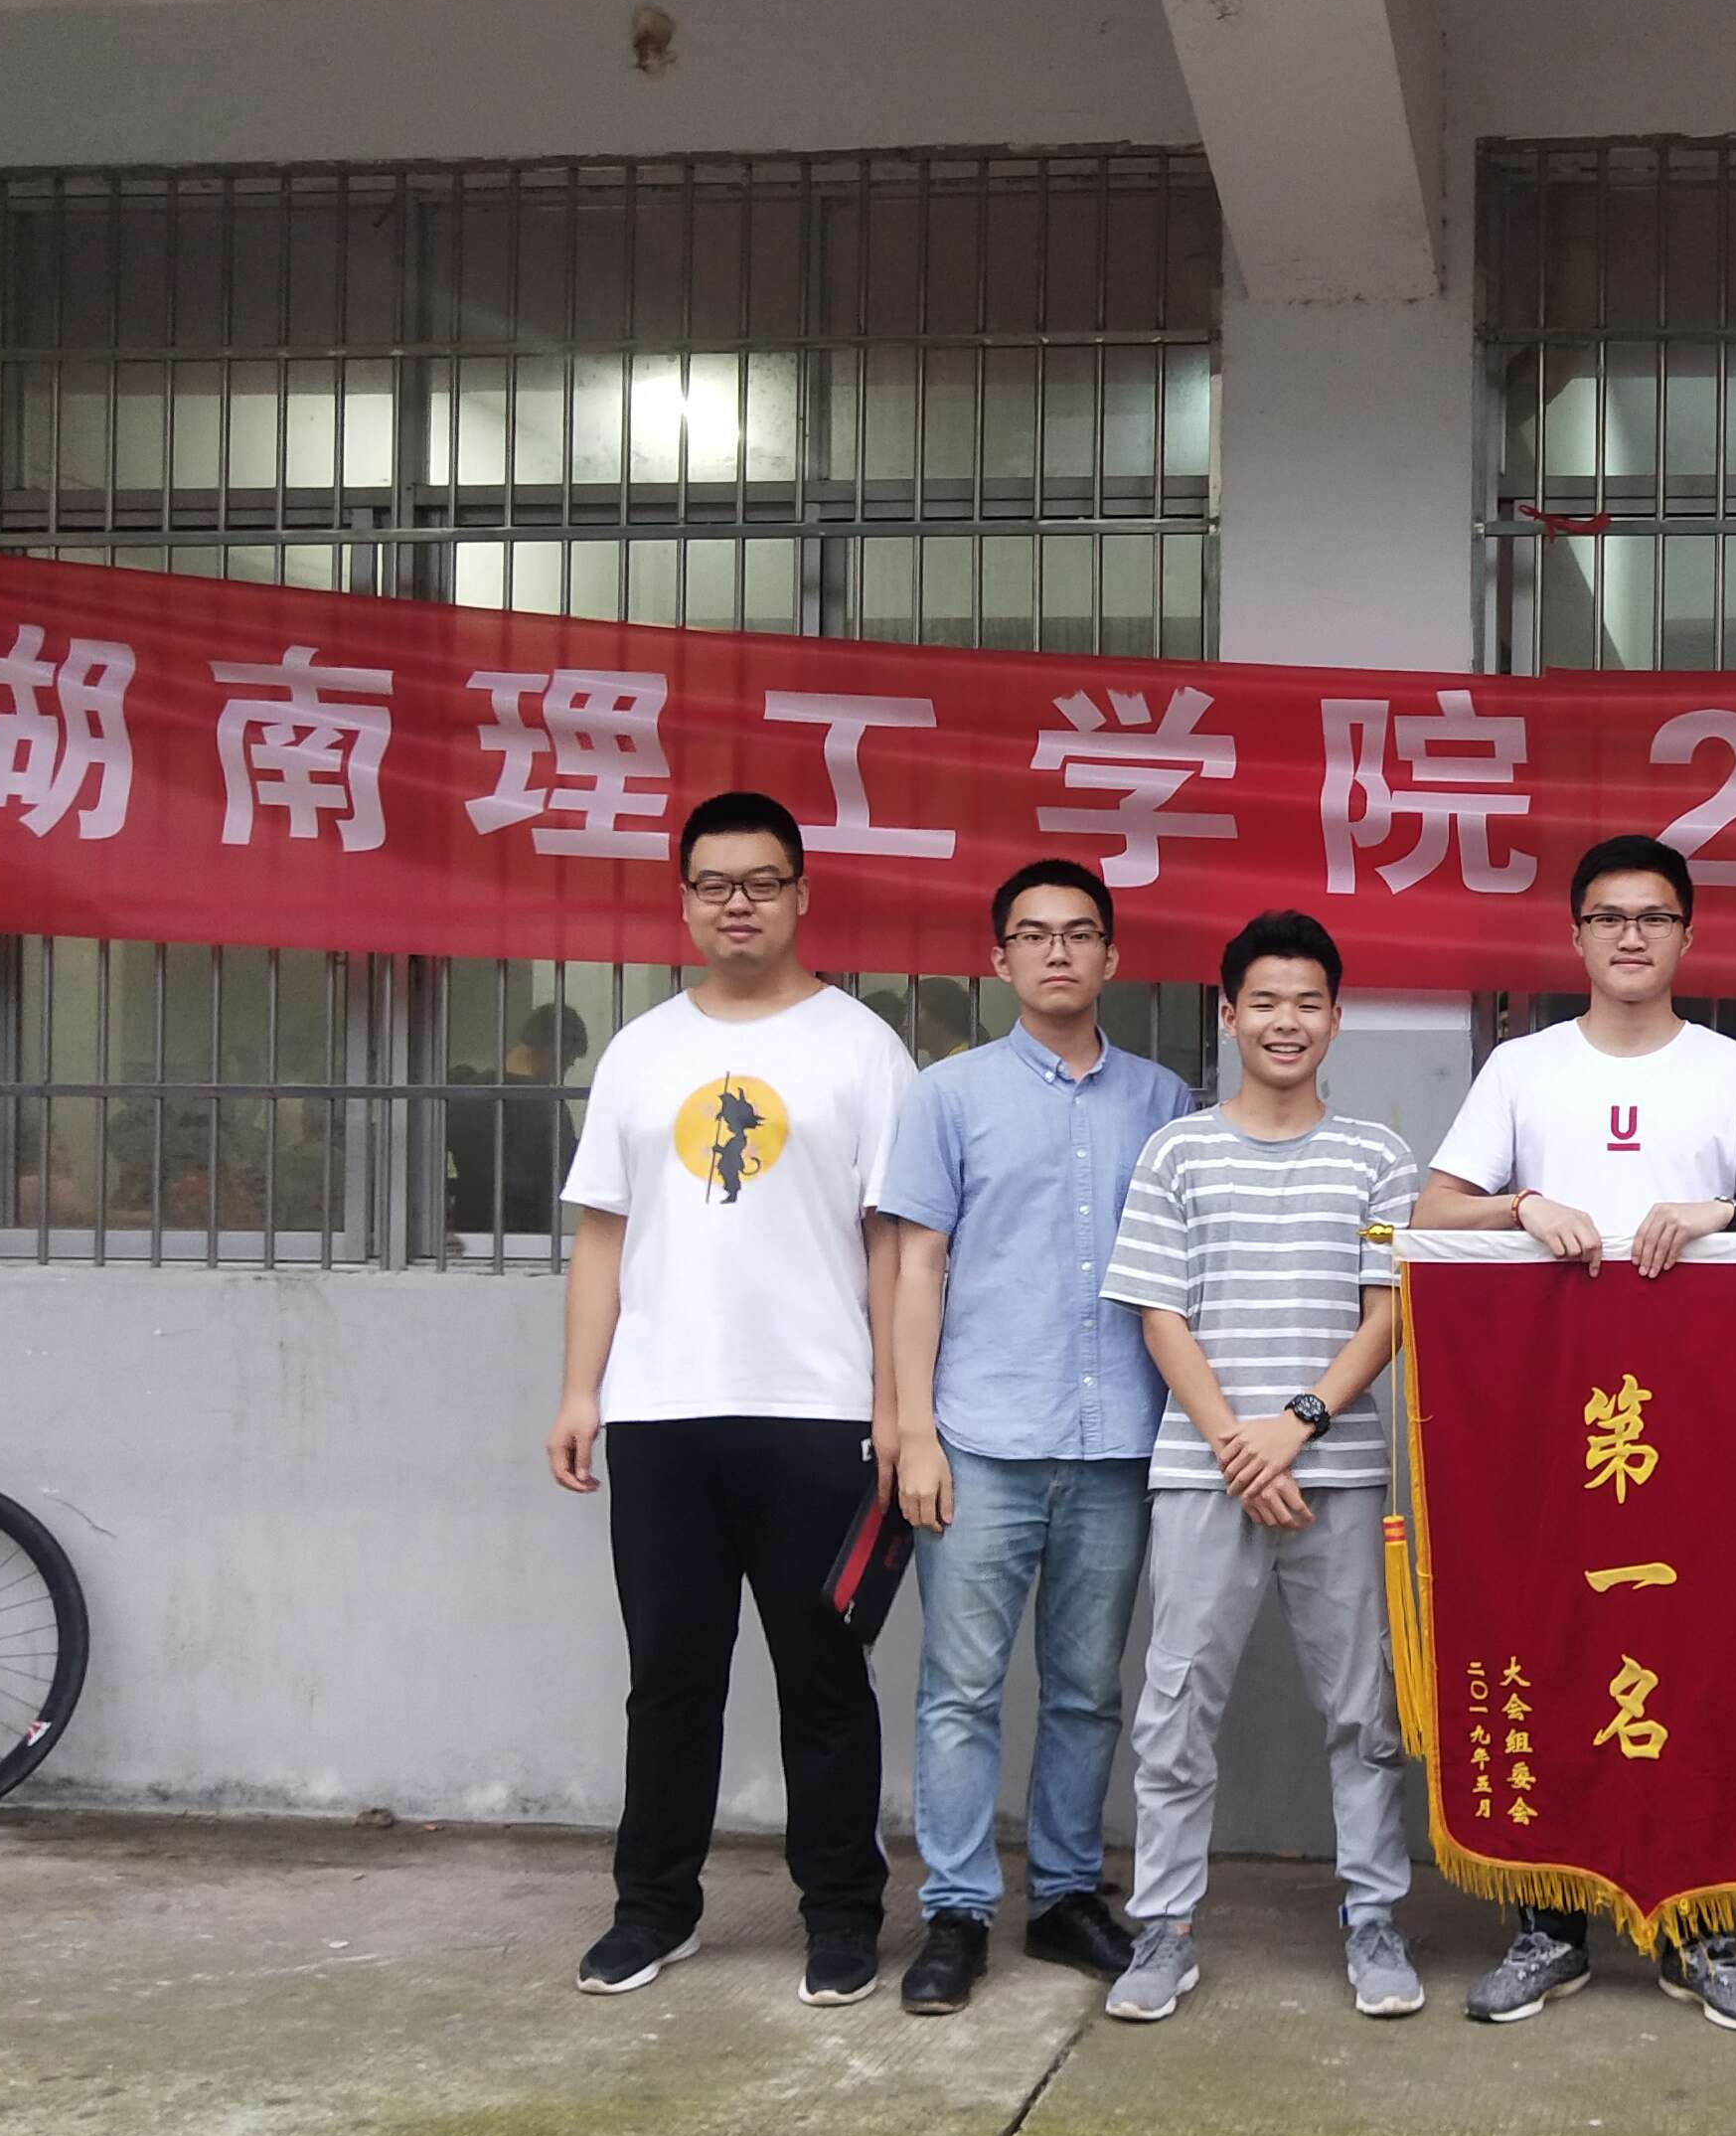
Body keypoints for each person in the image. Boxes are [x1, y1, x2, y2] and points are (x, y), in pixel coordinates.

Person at [1413, 831, 1736, 2033]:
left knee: (1697, 1651)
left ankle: (1702, 1928)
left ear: (1688, 935)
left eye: (1653, 917)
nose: (1630, 936)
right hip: (1556, 1420)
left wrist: (1721, 1214)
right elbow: (1434, 1213)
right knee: (1555, 1638)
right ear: (1576, 937)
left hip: (1699, 1427)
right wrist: (1524, 1206)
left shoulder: (1734, 1072)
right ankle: (1551, 1926)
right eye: (1608, 917)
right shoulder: (1523, 1068)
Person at [547, 788, 918, 2006]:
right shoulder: (642, 1051)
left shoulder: (861, 1048)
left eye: (761, 882)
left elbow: (893, 1243)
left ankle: (842, 1916)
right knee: (670, 1678)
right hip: (661, 1413)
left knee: (825, 1674)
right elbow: (602, 1233)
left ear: (802, 893)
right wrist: (580, 1391)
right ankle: (653, 1910)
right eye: (714, 885)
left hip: (818, 1412)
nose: (738, 904)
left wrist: (892, 1407)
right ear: (686, 901)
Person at [1097, 911, 1429, 2026]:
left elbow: (1388, 1318)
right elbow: (1159, 1314)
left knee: (1364, 1709)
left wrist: (1297, 1423)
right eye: (1266, 1002)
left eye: (1309, 1003)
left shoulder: (1379, 1156)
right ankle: (1164, 1927)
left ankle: (1373, 1916)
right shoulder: (1177, 1151)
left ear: (1336, 1017)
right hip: (1203, 1475)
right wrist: (1242, 1450)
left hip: (1339, 1472)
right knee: (1176, 1705)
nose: (1288, 1022)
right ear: (1230, 1015)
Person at [881, 859, 1194, 2015]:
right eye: (1033, 934)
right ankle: (957, 1911)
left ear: (1113, 956)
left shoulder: (1164, 1100)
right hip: (981, 1440)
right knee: (960, 1690)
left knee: (1085, 1690)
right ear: (999, 958)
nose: (1058, 953)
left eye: (1079, 934)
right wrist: (915, 1430)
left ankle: (1064, 1895)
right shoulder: (948, 1095)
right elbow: (918, 1268)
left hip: (1118, 1447)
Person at [451, 997, 594, 1236]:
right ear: (551, 1049)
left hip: (469, 1232)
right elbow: (566, 1172)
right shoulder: (549, 1105)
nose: (563, 1071)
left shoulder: (467, 1092)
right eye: (566, 1063)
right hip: (531, 1237)